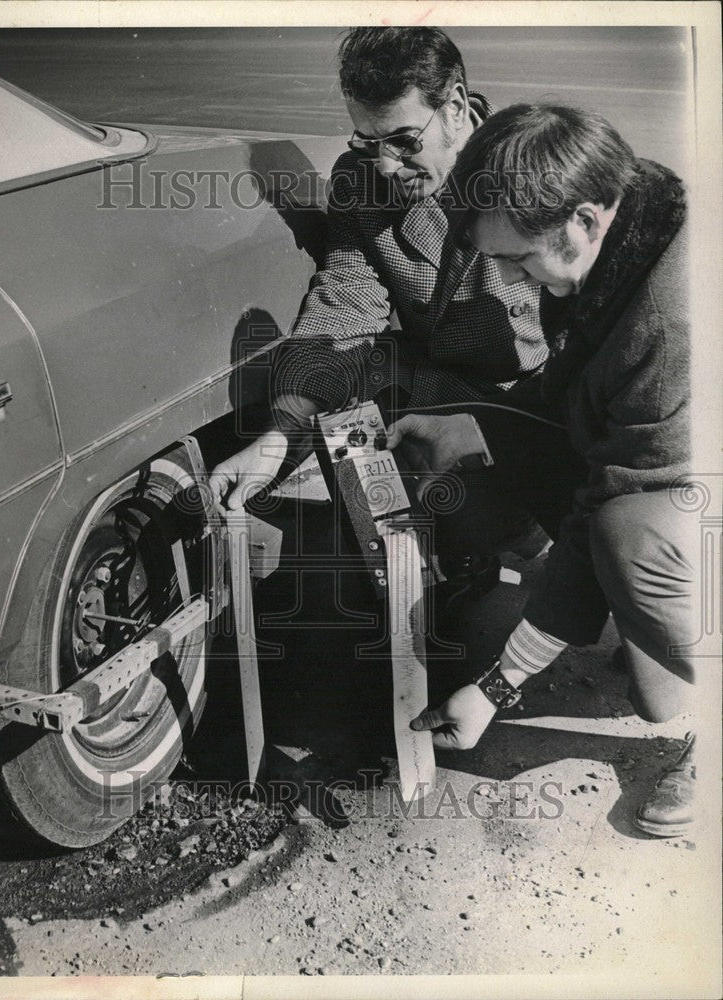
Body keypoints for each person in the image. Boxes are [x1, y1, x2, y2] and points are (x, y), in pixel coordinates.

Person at [386, 103, 695, 837]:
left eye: (519, 260)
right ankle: (661, 626)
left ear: (584, 220)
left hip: (681, 484)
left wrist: (496, 686)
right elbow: (573, 396)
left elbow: (612, 497)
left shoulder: (668, 322)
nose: (514, 279)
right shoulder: (615, 238)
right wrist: (474, 425)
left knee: (631, 538)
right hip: (678, 462)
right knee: (525, 448)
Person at [209, 27, 548, 519]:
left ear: (454, 108)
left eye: (402, 141)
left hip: (530, 411)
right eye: (368, 142)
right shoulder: (362, 180)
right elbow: (347, 304)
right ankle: (397, 556)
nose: (386, 166)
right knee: (341, 379)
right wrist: (277, 438)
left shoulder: (536, 172)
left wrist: (511, 443)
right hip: (433, 391)